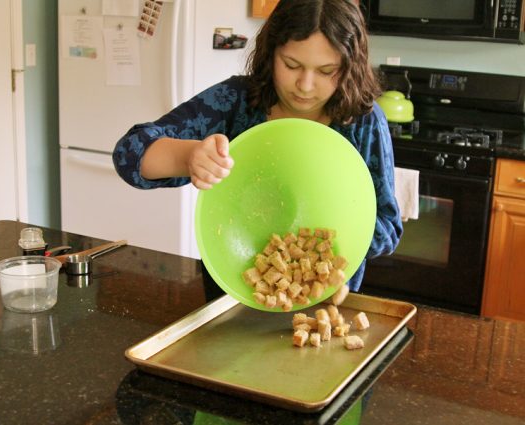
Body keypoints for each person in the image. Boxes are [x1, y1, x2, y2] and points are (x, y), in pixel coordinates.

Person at [113, 0, 402, 292]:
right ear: (270, 52)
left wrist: (331, 238)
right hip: (232, 291)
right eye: (291, 65)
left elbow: (388, 228)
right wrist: (189, 157)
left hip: (322, 301)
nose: (305, 84)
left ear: (349, 66)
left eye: (327, 71)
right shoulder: (236, 101)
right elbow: (129, 154)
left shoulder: (363, 121)